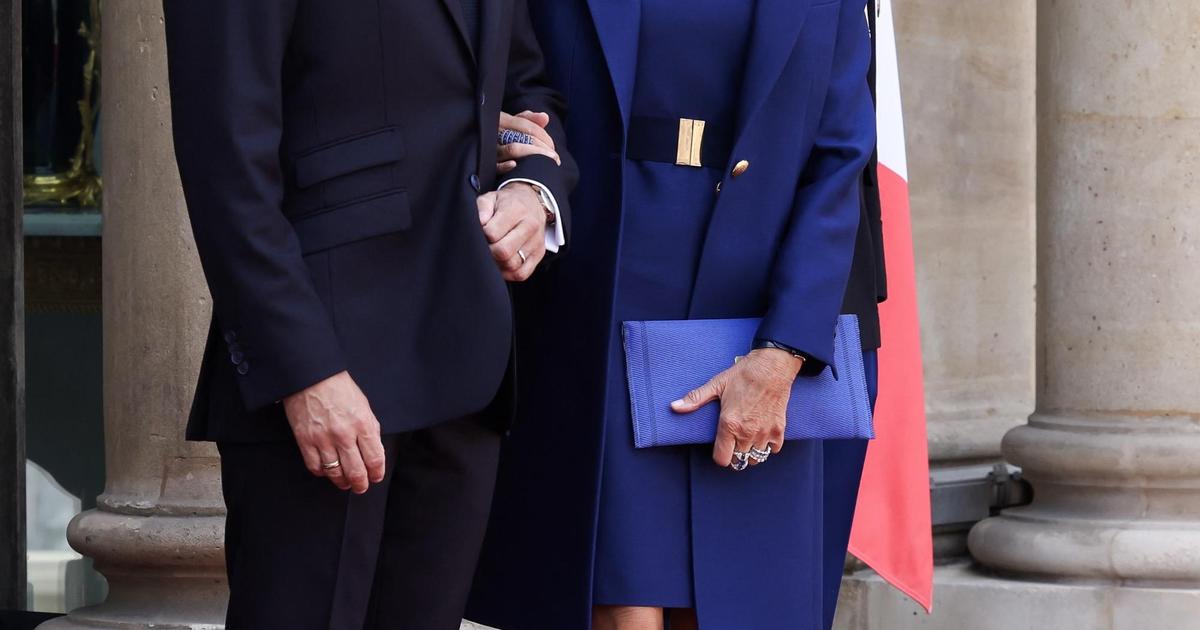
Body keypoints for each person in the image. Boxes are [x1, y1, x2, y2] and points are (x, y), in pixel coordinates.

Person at [468, 1, 883, 629]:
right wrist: (518, 156)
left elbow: (838, 163)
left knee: (737, 602)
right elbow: (505, 83)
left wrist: (783, 352)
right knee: (617, 590)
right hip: (595, 297)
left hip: (761, 310)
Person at [161, 1, 575, 628]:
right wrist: (304, 372)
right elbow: (224, 162)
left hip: (468, 363)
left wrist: (534, 188)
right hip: (328, 366)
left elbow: (528, 89)